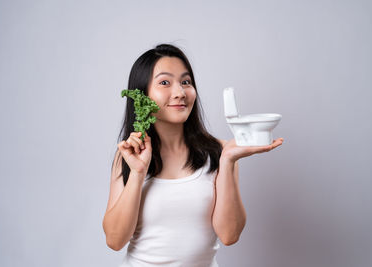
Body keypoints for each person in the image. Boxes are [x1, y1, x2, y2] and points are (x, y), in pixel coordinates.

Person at [102, 44, 284, 267]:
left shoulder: (219, 152)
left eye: (186, 82)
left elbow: (229, 234)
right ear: (142, 95)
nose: (180, 92)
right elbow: (115, 239)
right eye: (164, 82)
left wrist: (227, 162)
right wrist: (139, 173)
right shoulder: (128, 157)